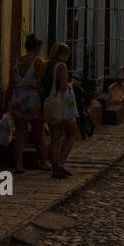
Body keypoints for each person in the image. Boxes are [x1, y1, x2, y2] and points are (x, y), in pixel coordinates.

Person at [5, 34, 49, 173]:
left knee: (20, 134)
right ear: (36, 47)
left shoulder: (17, 61)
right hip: (33, 100)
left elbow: (11, 83)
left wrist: (7, 101)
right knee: (38, 133)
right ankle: (43, 161)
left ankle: (19, 164)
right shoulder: (38, 62)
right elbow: (41, 83)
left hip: (18, 99)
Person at [41, 42, 79, 180]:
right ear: (64, 54)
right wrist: (71, 84)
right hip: (61, 105)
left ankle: (55, 169)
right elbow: (63, 87)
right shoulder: (61, 66)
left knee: (55, 137)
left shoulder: (47, 65)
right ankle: (60, 163)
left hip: (49, 104)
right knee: (71, 133)